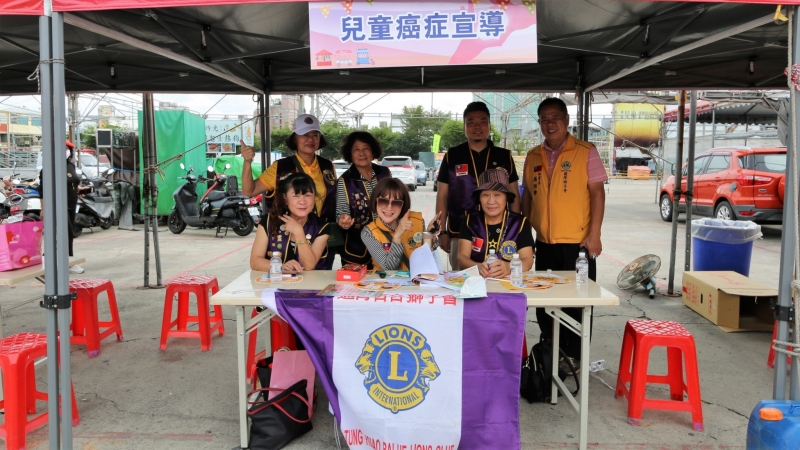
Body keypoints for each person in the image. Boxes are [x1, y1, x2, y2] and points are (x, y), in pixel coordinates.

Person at [522, 97, 607, 364]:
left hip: (578, 246)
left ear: (567, 120)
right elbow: (527, 198)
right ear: (539, 123)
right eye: (544, 119)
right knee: (545, 304)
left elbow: (598, 194)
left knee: (577, 305)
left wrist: (594, 235)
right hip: (544, 245)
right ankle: (550, 356)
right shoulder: (533, 156)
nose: (550, 124)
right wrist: (525, 237)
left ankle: (575, 359)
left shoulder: (586, 151)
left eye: (555, 118)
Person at [240, 114, 337, 268]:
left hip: (319, 234)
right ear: (294, 139)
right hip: (283, 233)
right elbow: (249, 190)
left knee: (318, 276)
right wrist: (247, 162)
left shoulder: (327, 166)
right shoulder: (280, 167)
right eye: (304, 135)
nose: (310, 139)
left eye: (315, 135)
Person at [436, 101, 521, 271]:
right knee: (462, 279)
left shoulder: (504, 156)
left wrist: (515, 229)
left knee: (500, 277)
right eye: (471, 122)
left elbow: (514, 195)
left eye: (482, 122)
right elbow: (442, 195)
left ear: (489, 125)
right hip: (459, 231)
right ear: (464, 126)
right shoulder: (452, 156)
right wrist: (442, 231)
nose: (477, 127)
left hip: (500, 233)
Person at [457, 168, 534, 277]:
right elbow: (462, 257)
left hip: (508, 282)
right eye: (485, 195)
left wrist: (509, 267)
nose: (491, 201)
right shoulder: (470, 221)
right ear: (479, 198)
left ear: (507, 197)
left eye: (497, 195)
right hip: (477, 281)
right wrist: (477, 266)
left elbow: (527, 260)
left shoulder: (519, 223)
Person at [250, 173, 329, 272]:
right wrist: (281, 267)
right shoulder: (269, 221)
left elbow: (309, 266)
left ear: (314, 198)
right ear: (285, 198)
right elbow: (255, 261)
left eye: (308, 195)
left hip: (309, 281)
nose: (302, 201)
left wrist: (299, 233)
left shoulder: (321, 227)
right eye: (296, 196)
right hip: (275, 280)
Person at [335, 131, 391, 268]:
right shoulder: (344, 181)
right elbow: (341, 212)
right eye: (356, 149)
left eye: (366, 148)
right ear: (350, 154)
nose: (361, 153)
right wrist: (344, 220)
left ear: (373, 151)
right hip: (357, 247)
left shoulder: (385, 173)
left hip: (386, 241)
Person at [362, 178, 440, 271]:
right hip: (387, 280)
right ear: (375, 201)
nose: (389, 207)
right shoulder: (368, 232)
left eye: (396, 203)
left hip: (415, 279)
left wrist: (430, 235)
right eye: (383, 201)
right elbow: (389, 268)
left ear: (403, 205)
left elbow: (425, 257)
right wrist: (397, 237)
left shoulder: (416, 221)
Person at [38, 140, 87, 274]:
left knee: (68, 233)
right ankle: (64, 262)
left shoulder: (70, 165)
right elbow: (43, 191)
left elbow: (73, 182)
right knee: (66, 232)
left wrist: (79, 189)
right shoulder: (49, 168)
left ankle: (61, 260)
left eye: (67, 148)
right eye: (62, 148)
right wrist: (43, 209)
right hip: (57, 205)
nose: (65, 151)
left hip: (71, 204)